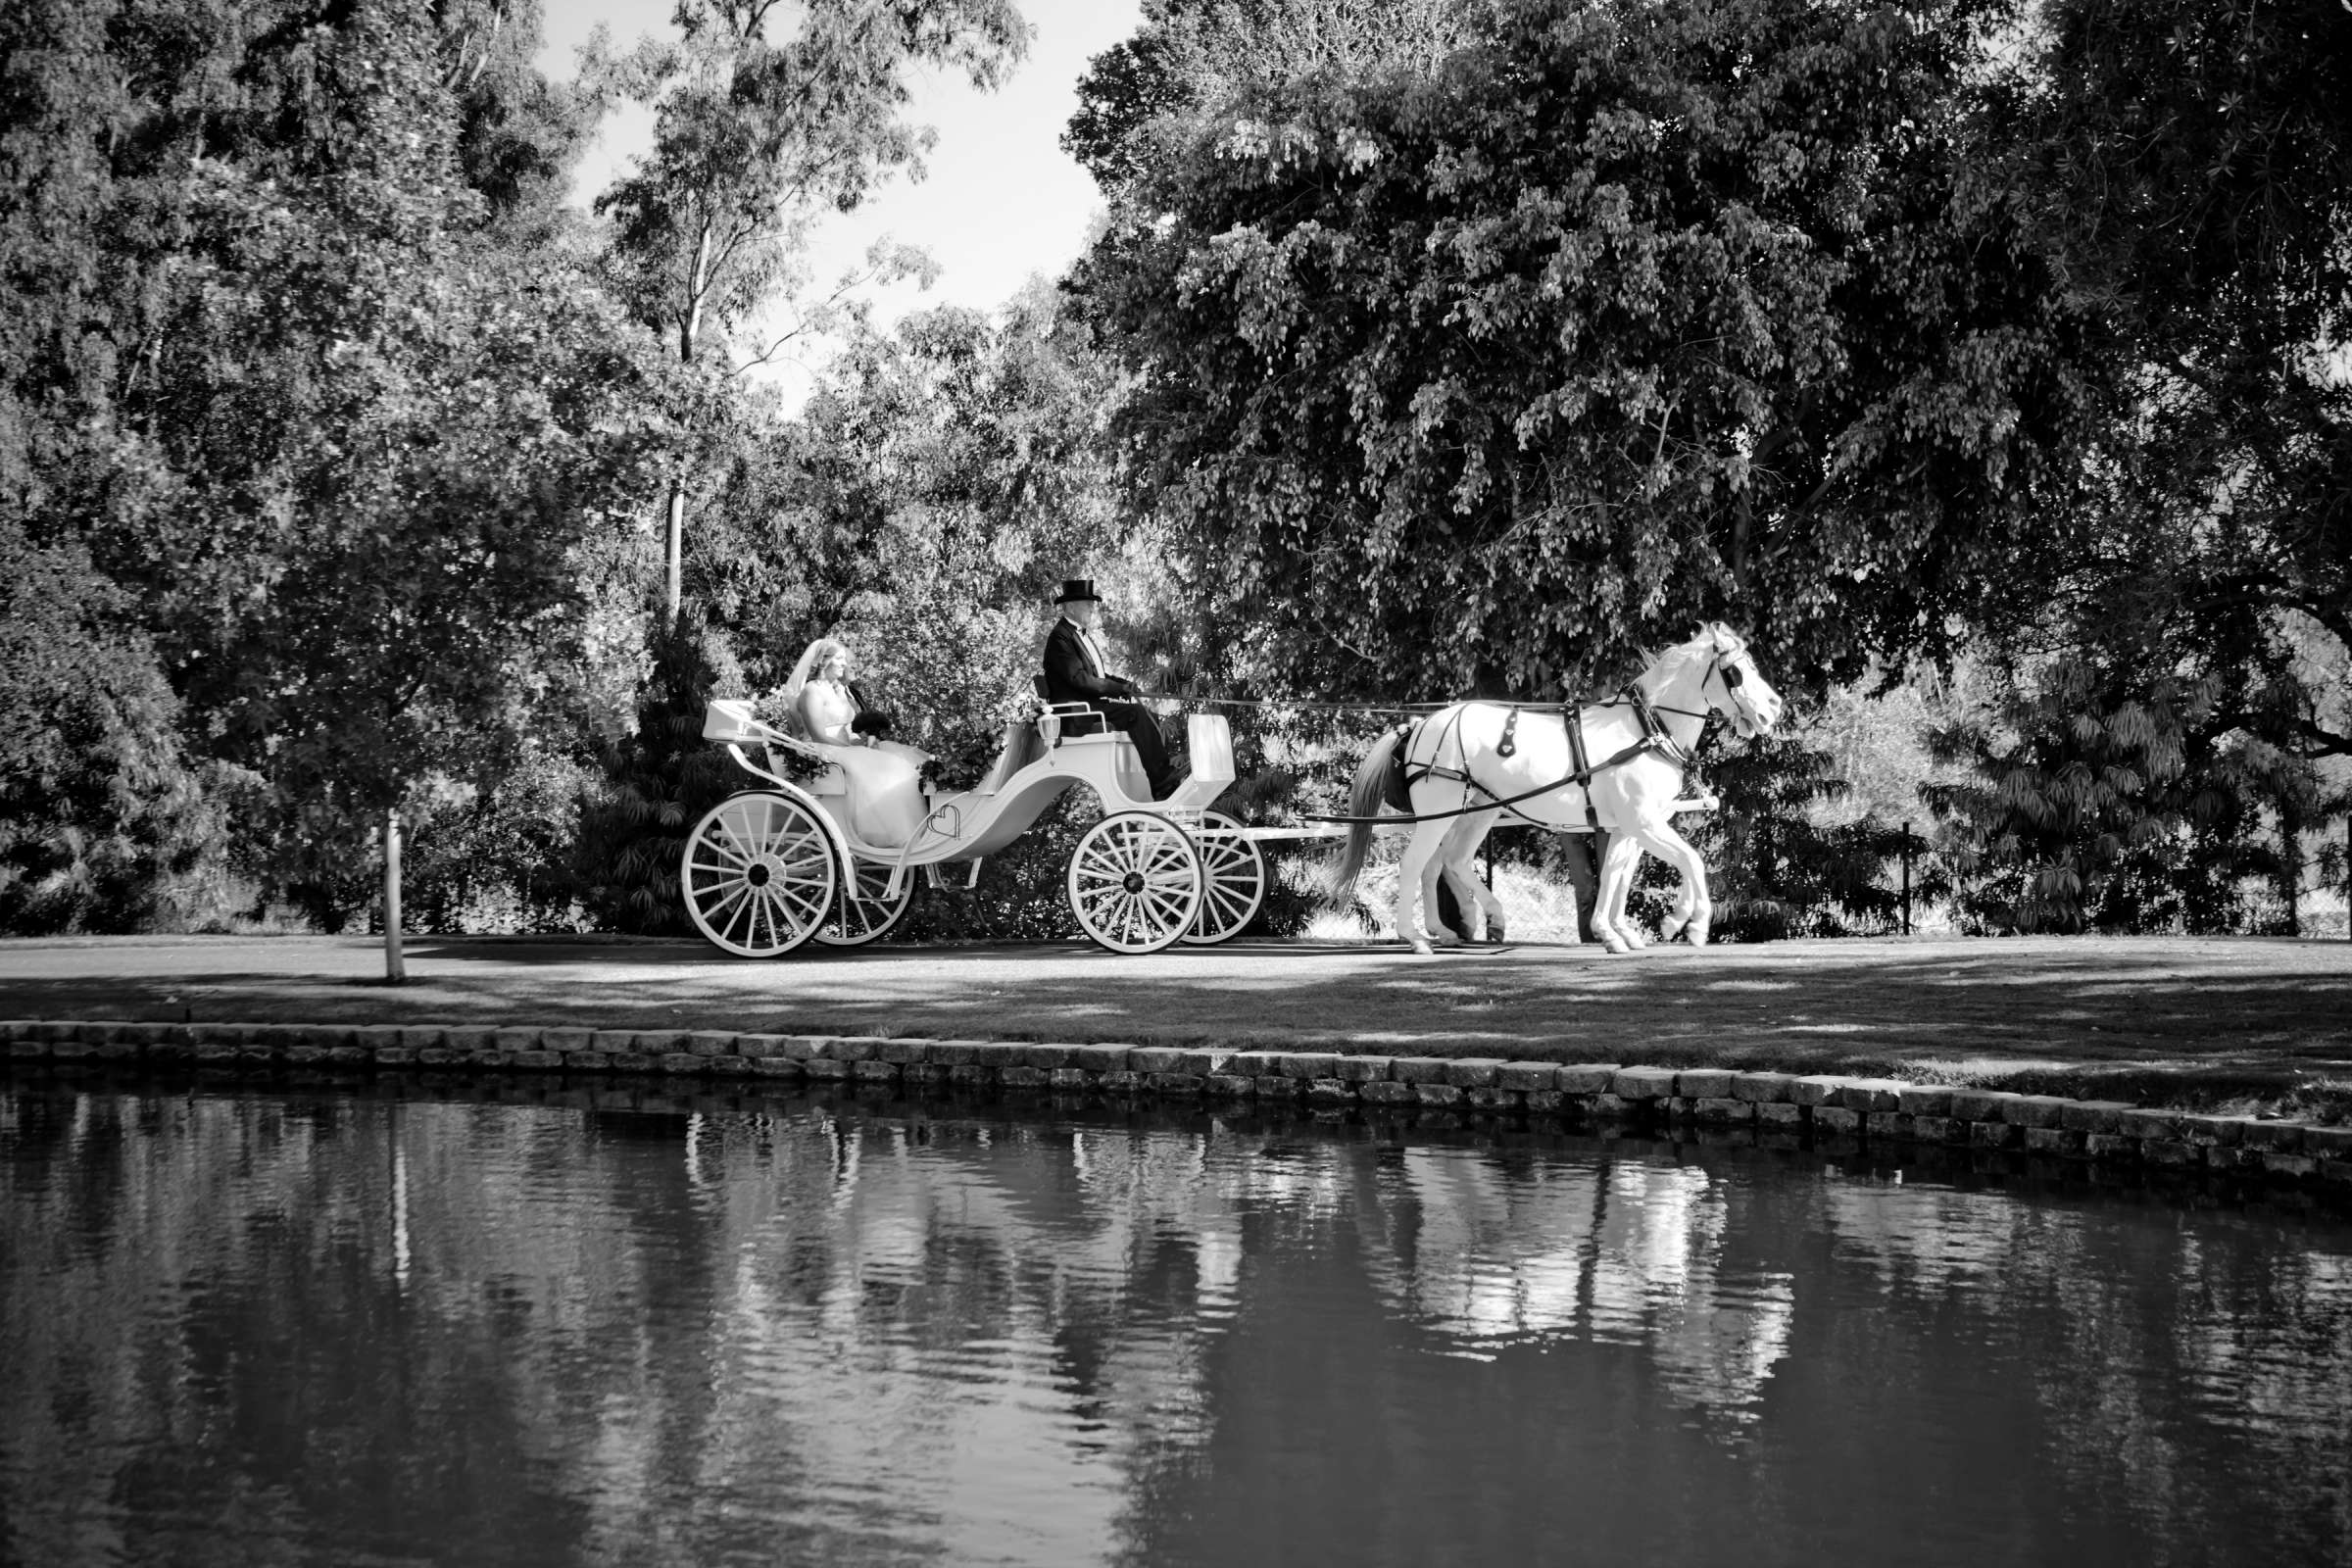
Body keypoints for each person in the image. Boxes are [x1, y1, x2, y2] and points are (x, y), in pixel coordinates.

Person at [781, 637, 928, 848]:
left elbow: (847, 728)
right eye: (839, 658)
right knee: (881, 766)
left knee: (899, 759)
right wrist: (852, 748)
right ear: (824, 661)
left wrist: (862, 741)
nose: (844, 663)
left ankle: (912, 829)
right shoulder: (812, 691)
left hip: (843, 747)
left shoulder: (839, 691)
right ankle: (886, 831)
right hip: (823, 748)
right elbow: (818, 735)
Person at [1040, 578, 1176, 798]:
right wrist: (1117, 690)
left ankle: (1158, 779)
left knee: (1150, 715)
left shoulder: (1080, 635)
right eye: (1088, 603)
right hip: (1077, 712)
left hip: (1091, 706)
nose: (1093, 608)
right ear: (1071, 606)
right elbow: (1079, 679)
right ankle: (1162, 782)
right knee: (1136, 713)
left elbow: (1098, 676)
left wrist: (1124, 685)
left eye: (1092, 604)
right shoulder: (1060, 638)